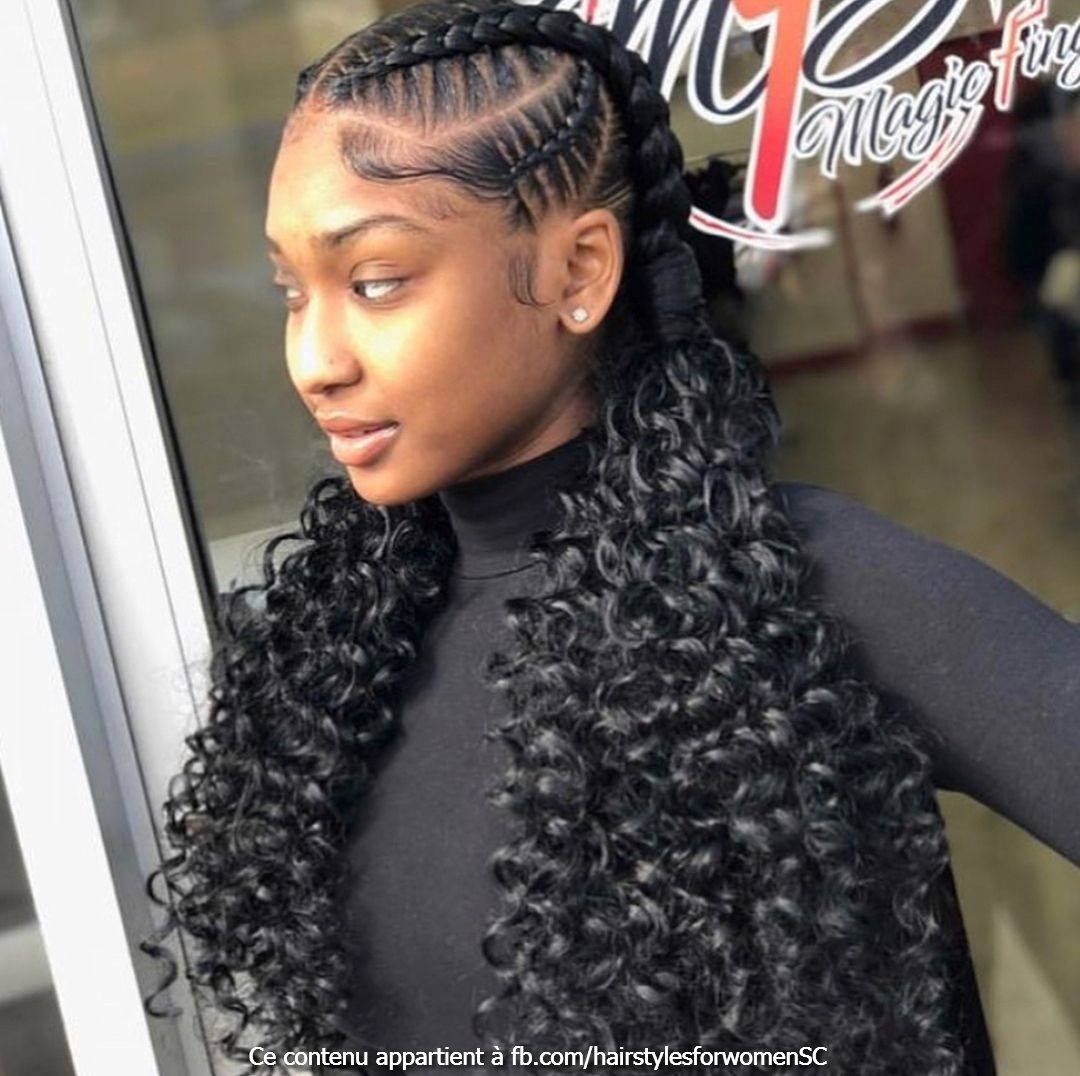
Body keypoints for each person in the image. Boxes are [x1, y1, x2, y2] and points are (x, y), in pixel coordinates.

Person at [142, 3, 1079, 1074]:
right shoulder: (335, 668)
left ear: (581, 270)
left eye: (376, 282)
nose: (315, 359)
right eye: (290, 291)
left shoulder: (806, 591)